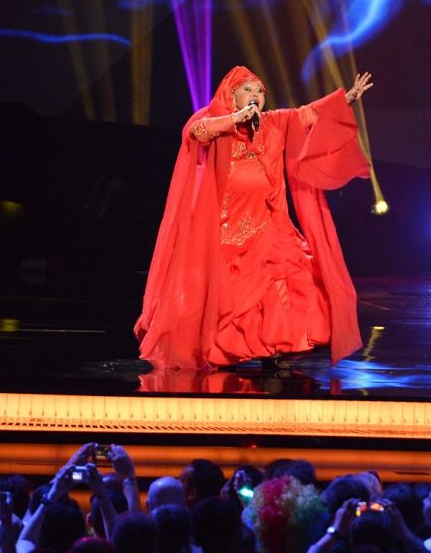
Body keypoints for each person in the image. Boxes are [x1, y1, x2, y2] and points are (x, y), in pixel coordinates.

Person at [135, 66, 373, 370]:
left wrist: (345, 99)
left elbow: (306, 114)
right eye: (247, 89)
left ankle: (278, 346)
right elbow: (197, 132)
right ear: (231, 94)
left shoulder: (273, 123)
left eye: (260, 91)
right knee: (230, 298)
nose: (256, 95)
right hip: (226, 228)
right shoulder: (215, 120)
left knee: (291, 279)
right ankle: (228, 349)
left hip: (269, 222)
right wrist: (235, 119)